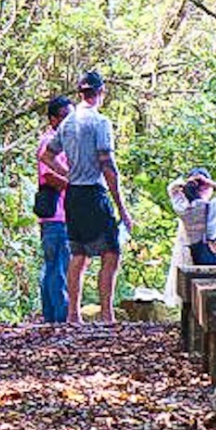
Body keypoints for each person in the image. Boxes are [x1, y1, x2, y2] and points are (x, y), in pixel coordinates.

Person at [40, 70, 135, 324]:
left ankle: (73, 314)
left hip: (73, 195)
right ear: (101, 93)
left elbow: (47, 156)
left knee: (78, 254)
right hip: (94, 192)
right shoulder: (100, 122)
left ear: (80, 94)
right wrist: (122, 209)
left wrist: (69, 174)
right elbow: (108, 165)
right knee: (111, 252)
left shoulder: (68, 122)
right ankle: (107, 314)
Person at [36, 95, 72, 324]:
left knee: (54, 266)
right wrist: (76, 186)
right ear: (53, 120)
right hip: (57, 215)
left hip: (63, 214)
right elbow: (48, 175)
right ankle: (58, 317)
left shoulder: (66, 143)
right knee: (58, 267)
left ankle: (53, 317)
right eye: (64, 117)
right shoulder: (50, 142)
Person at [169, 168, 216, 266]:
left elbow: (172, 190)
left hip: (199, 258)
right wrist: (213, 183)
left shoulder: (182, 209)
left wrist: (186, 184)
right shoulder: (214, 207)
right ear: (209, 188)